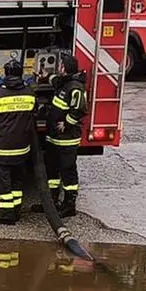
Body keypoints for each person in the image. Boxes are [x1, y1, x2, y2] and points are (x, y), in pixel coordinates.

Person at [0, 58, 37, 225]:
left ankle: (6, 215)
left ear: (6, 73)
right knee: (17, 181)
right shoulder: (30, 94)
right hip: (22, 149)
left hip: (1, 149)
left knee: (2, 183)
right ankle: (16, 211)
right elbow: (34, 115)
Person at [44, 54, 89, 217]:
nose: (59, 67)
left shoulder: (75, 87)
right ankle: (51, 203)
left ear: (66, 68)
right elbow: (55, 81)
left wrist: (67, 123)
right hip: (55, 138)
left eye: (61, 65)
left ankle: (69, 205)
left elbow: (80, 109)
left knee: (67, 171)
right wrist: (45, 76)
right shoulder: (64, 83)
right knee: (52, 171)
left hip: (67, 139)